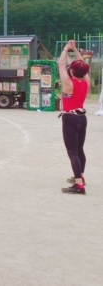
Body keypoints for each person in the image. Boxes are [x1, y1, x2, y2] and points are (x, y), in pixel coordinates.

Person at [58, 40, 90, 195]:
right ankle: (81, 177)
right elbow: (82, 64)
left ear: (72, 71)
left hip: (70, 118)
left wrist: (66, 48)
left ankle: (78, 184)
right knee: (79, 149)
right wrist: (75, 50)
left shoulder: (69, 83)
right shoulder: (86, 82)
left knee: (72, 152)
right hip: (82, 118)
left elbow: (60, 64)